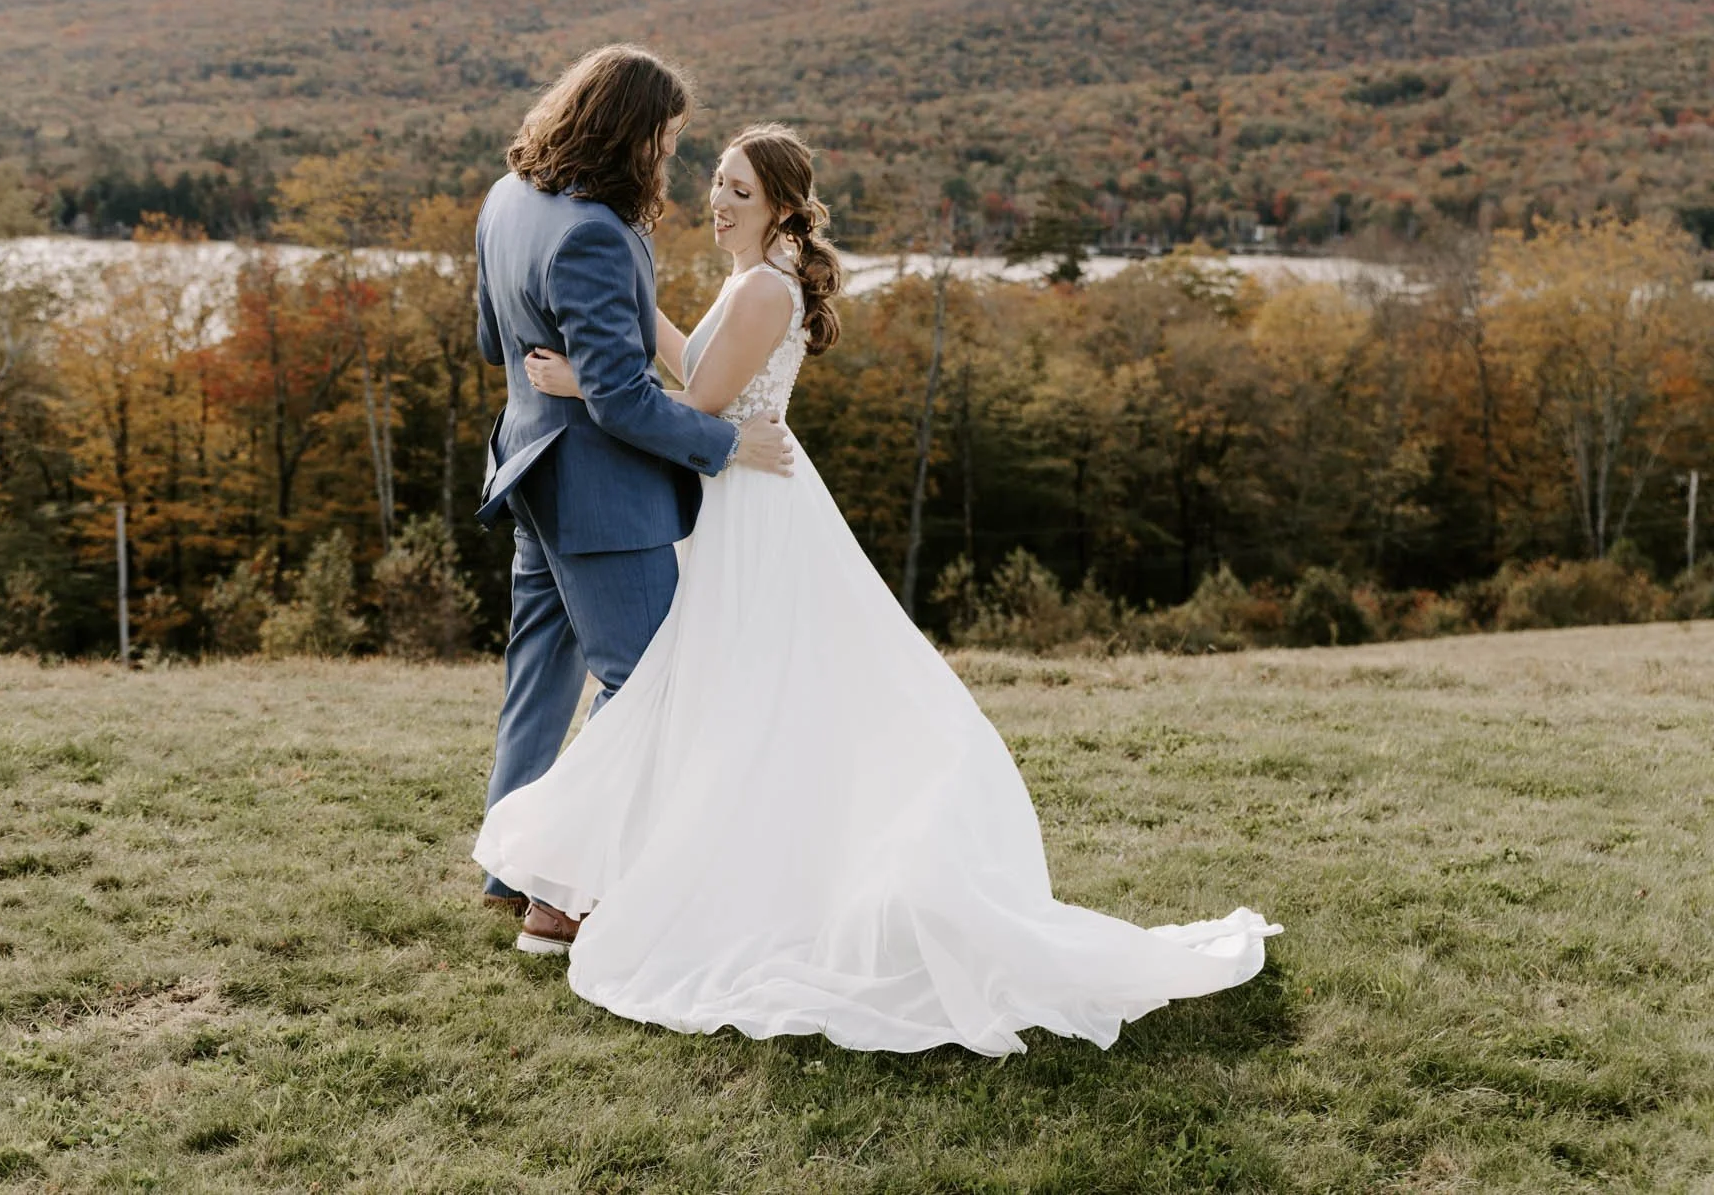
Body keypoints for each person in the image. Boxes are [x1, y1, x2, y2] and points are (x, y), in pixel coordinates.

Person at [474, 123, 1281, 1055]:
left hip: (754, 500)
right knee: (704, 690)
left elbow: (693, 405)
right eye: (716, 183)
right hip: (738, 496)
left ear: (780, 205)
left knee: (697, 689)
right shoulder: (750, 285)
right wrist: (630, 315)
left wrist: (583, 381)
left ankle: (583, 884)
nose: (718, 200)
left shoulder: (766, 291)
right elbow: (691, 360)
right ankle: (590, 879)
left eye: (740, 189)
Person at [472, 46, 795, 954]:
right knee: (644, 682)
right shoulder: (596, 233)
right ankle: (560, 894)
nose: (669, 159)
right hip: (598, 494)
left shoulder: (506, 201)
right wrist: (727, 442)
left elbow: (491, 335)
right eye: (663, 138)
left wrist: (556, 384)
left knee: (537, 671)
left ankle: (509, 864)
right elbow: (618, 398)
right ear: (627, 133)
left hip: (525, 467)